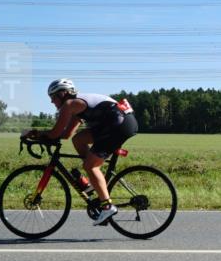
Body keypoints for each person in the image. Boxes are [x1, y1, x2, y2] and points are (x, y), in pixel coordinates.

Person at [23, 79, 137, 225]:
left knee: (91, 166)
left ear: (62, 94)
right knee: (78, 139)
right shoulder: (76, 105)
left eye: (53, 97)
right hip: (118, 121)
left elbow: (55, 133)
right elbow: (66, 134)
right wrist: (44, 136)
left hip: (118, 124)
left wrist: (35, 134)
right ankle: (93, 183)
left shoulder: (70, 104)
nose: (52, 102)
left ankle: (107, 206)